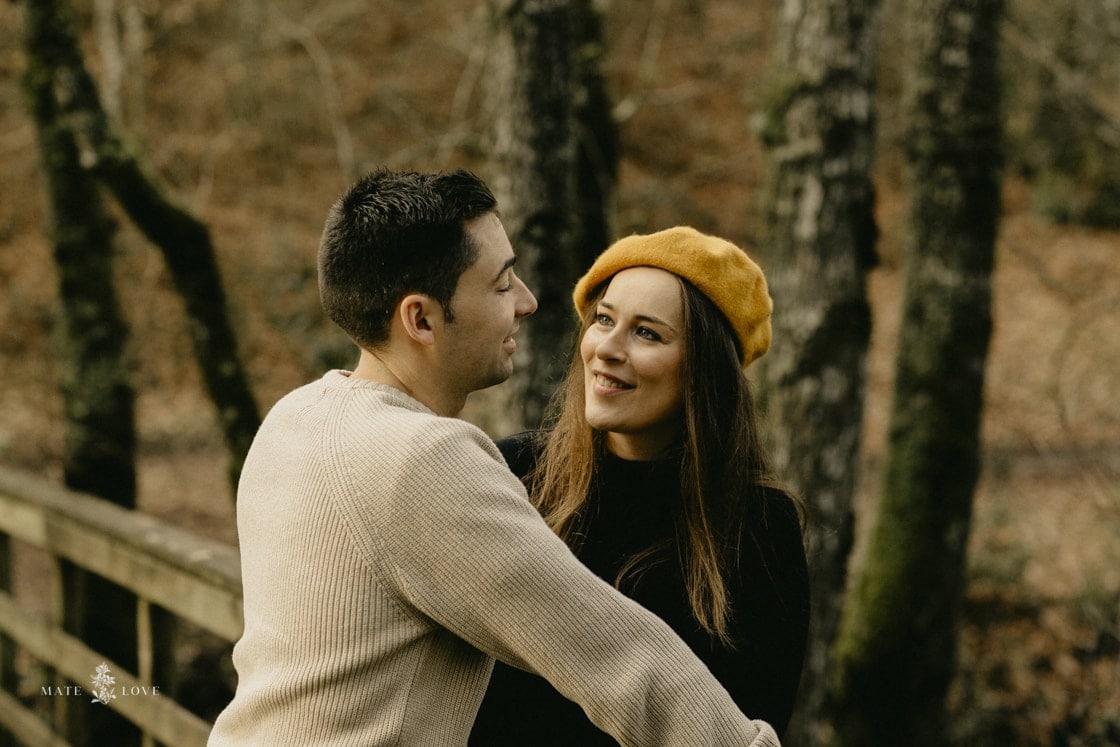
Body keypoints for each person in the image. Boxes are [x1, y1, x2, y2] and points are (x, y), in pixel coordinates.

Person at [208, 170, 781, 746]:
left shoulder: (294, 418)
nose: (528, 302)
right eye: (502, 284)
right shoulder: (423, 459)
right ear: (422, 319)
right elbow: (615, 656)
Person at [471, 226, 811, 745]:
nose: (606, 348)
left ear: (705, 368)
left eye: (647, 333)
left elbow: (752, 723)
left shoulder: (758, 526)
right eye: (604, 320)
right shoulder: (514, 472)